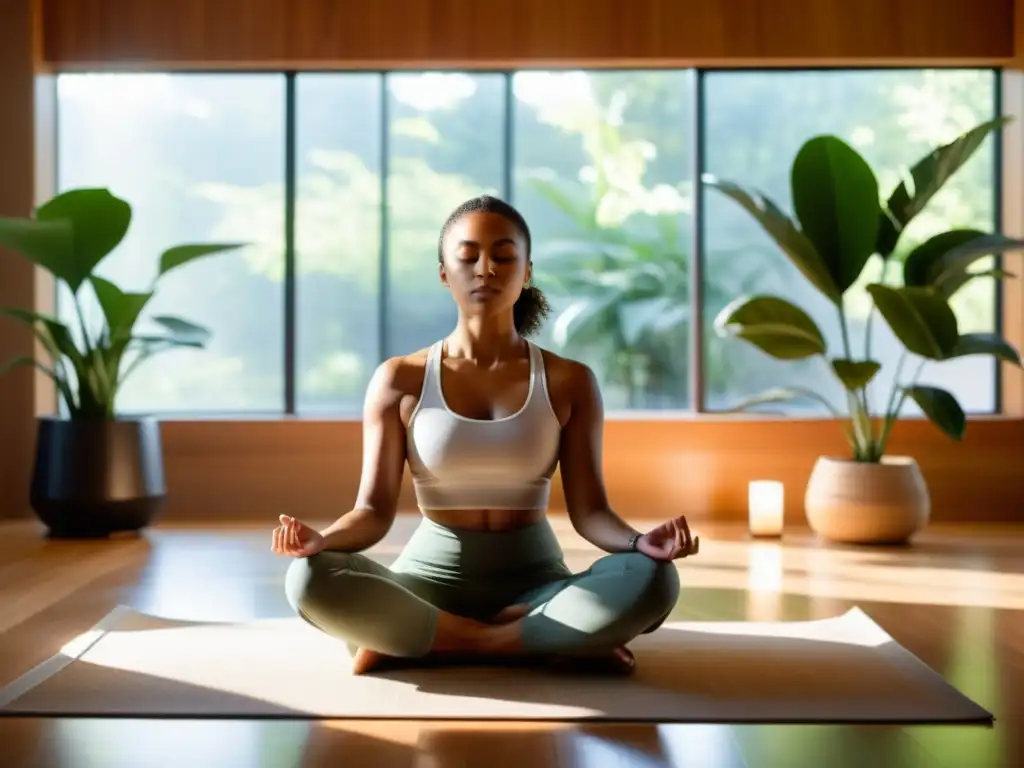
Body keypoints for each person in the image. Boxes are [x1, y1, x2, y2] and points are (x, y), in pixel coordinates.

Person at [272, 194, 700, 676]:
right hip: (427, 583)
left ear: (527, 271)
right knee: (308, 578)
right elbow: (372, 513)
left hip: (538, 584)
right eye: (468, 255)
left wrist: (641, 542)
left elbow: (591, 513)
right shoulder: (400, 379)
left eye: (503, 256)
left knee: (654, 580)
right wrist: (321, 541)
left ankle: (426, 639)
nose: (485, 269)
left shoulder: (569, 380)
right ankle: (542, 640)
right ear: (443, 272)